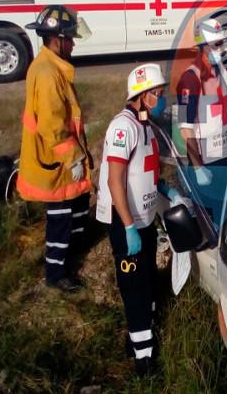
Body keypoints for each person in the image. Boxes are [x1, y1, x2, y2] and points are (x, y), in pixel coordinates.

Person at [95, 63, 167, 376]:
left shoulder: (147, 126)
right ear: (140, 94)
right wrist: (128, 227)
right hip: (127, 222)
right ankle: (144, 360)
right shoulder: (123, 127)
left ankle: (140, 335)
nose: (161, 97)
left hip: (145, 219)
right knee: (135, 287)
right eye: (156, 92)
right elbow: (115, 181)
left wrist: (166, 191)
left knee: (148, 281)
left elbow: (146, 172)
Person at [17, 5, 92, 293]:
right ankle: (56, 271)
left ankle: (69, 253)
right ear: (57, 39)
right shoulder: (49, 74)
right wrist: (74, 158)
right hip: (56, 160)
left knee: (76, 206)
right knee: (60, 216)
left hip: (60, 157)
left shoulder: (50, 66)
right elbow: (53, 128)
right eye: (70, 39)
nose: (73, 44)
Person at [176, 17, 227, 227]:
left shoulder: (222, 71)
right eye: (216, 44)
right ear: (202, 46)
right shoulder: (190, 79)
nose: (220, 49)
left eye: (221, 43)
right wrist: (198, 167)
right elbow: (186, 128)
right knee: (212, 220)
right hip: (208, 162)